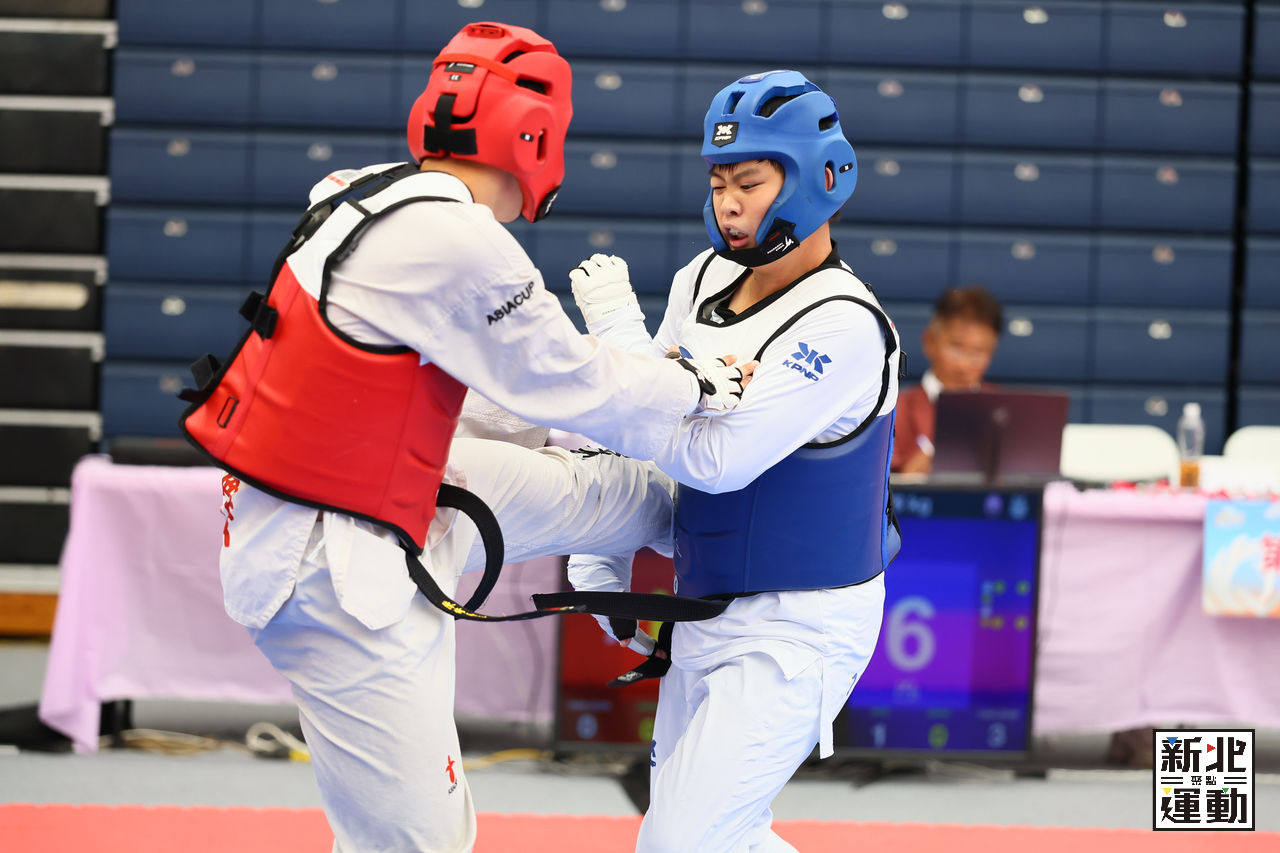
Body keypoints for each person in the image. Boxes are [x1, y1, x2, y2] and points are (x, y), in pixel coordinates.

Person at [177, 22, 753, 853]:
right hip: (338, 568)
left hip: (393, 477)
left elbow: (491, 386)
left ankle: (734, 573)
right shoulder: (459, 240)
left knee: (623, 493)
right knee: (416, 844)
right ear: (534, 137)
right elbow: (578, 383)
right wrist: (694, 385)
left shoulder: (358, 191)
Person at [564, 70, 902, 852]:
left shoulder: (845, 324)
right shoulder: (702, 277)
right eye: (718, 184)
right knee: (720, 838)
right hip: (706, 600)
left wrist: (620, 340)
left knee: (677, 842)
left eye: (749, 182)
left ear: (820, 178)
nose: (729, 203)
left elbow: (716, 458)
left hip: (800, 623)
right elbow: (639, 424)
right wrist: (600, 552)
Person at [890, 284, 1003, 476]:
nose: (964, 365)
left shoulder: (1003, 411)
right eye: (956, 348)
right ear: (930, 342)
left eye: (979, 353)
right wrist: (908, 480)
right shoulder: (895, 410)